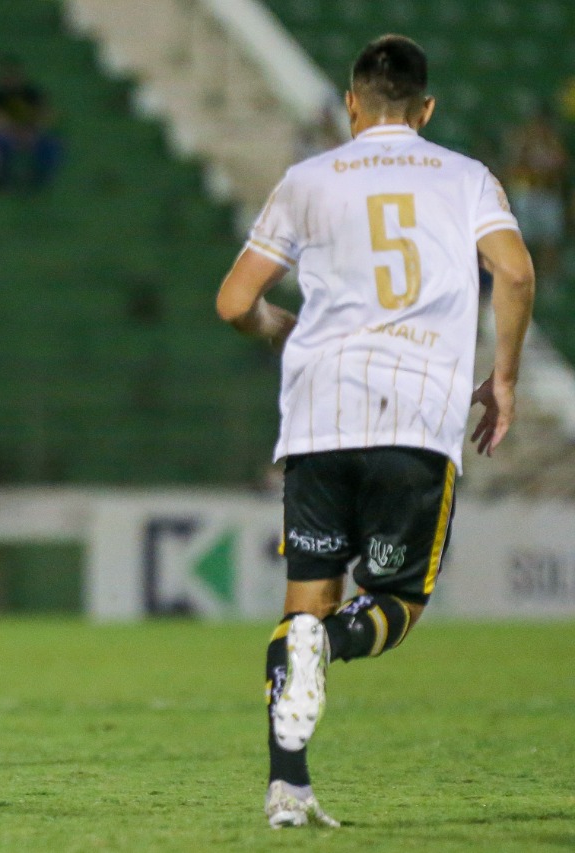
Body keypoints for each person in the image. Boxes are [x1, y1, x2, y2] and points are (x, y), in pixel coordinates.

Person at [215, 35, 535, 828]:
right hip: (414, 413)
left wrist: (283, 326)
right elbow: (517, 271)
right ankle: (330, 649)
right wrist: (504, 379)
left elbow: (232, 303)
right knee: (395, 598)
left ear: (351, 104)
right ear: (425, 109)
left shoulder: (308, 180)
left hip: (319, 414)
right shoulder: (466, 177)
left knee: (304, 609)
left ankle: (288, 788)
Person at [503, 104, 568, 296]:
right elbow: (512, 166)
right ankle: (526, 279)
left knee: (549, 240)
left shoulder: (554, 141)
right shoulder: (523, 139)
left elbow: (561, 166)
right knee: (525, 241)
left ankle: (548, 284)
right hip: (528, 194)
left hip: (548, 194)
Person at [0, 56, 62, 190]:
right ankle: (0, 179)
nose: (10, 79)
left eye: (13, 75)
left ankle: (41, 177)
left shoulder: (31, 93)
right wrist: (12, 131)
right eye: (6, 76)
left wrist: (33, 129)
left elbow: (47, 114)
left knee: (51, 143)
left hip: (30, 133)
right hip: (3, 134)